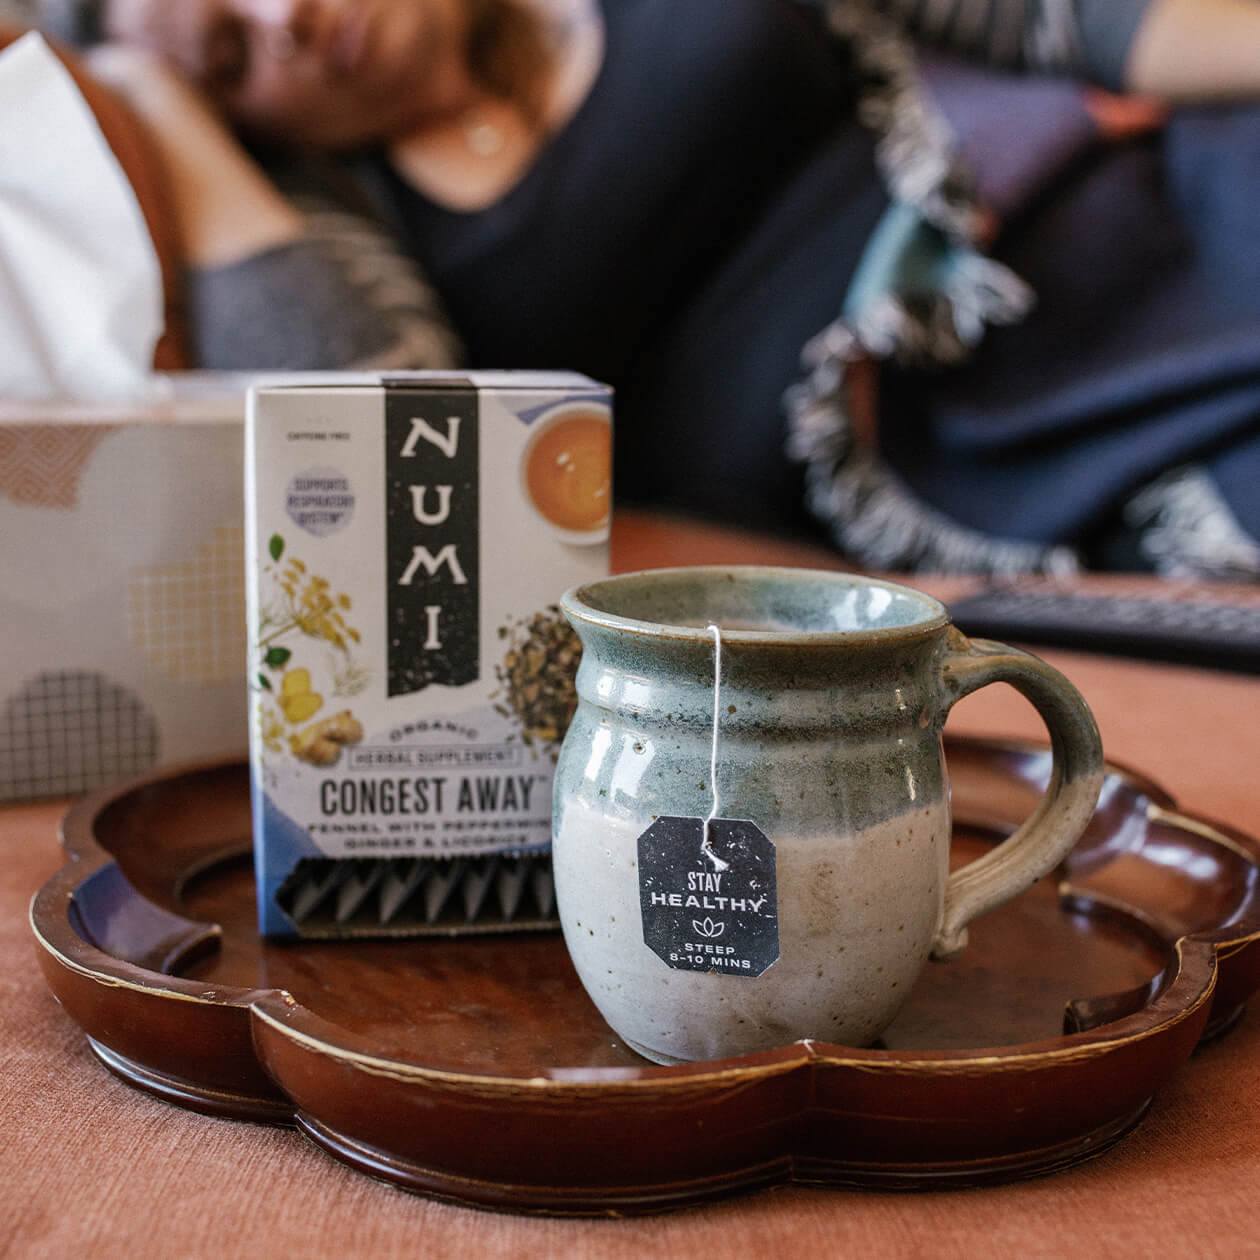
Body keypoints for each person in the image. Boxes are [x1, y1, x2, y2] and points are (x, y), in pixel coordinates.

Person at [34, 0, 1260, 577]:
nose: (286, 20)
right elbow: (398, 438)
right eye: (231, 56)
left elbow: (1072, 18)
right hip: (977, 453)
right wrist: (157, 111)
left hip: (1143, 230)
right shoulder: (352, 215)